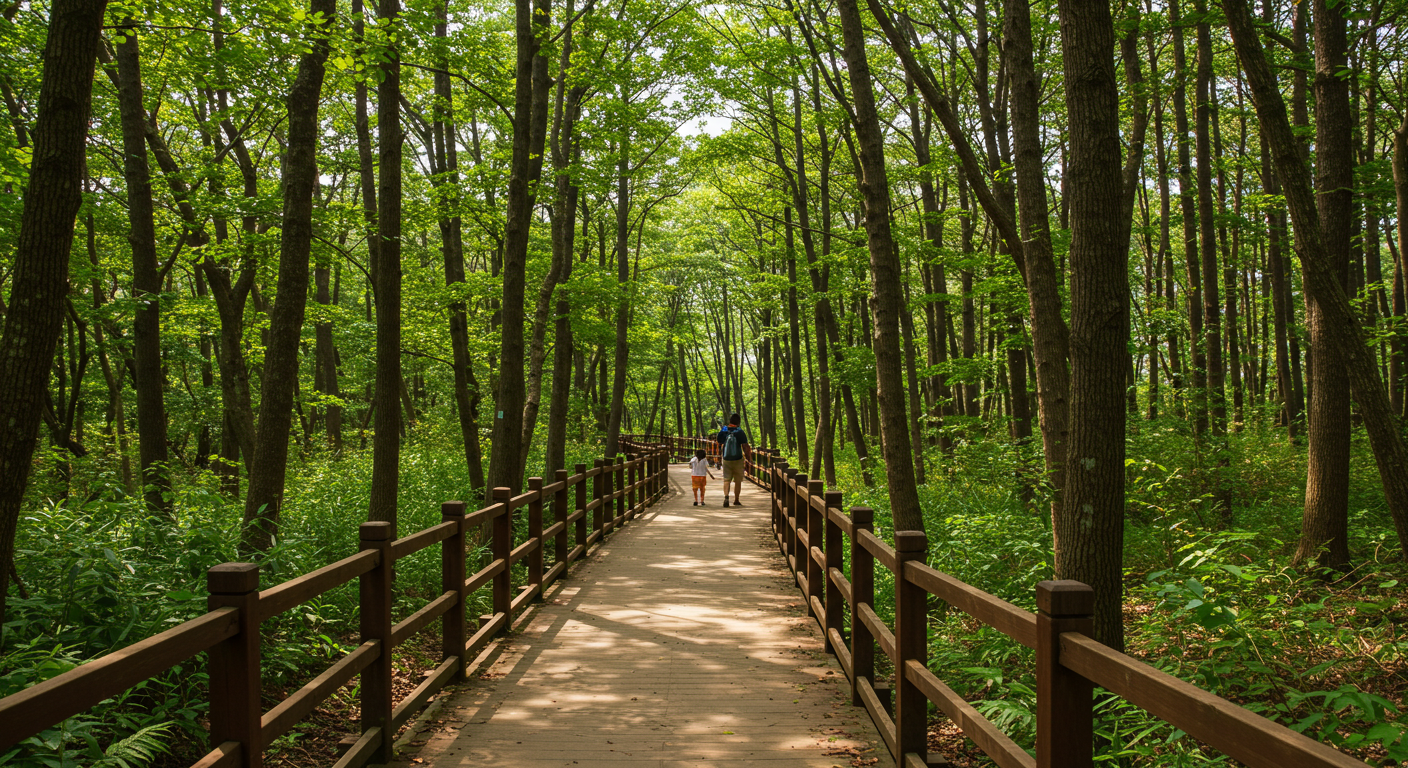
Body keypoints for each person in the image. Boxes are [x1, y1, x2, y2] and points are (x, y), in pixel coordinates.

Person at [715, 413, 750, 507]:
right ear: (738, 422)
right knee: (738, 481)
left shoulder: (724, 430)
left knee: (726, 479)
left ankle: (726, 496)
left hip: (726, 458)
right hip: (738, 459)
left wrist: (718, 458)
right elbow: (745, 446)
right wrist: (748, 459)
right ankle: (736, 500)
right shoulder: (740, 431)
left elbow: (719, 443)